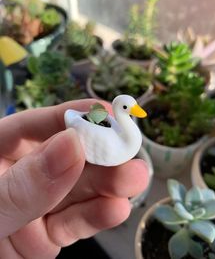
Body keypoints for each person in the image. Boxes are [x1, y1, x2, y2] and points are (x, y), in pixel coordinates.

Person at [0, 99, 148, 258]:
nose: (134, 110)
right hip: (80, 133)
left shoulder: (118, 139)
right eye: (127, 107)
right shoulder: (112, 147)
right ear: (121, 109)